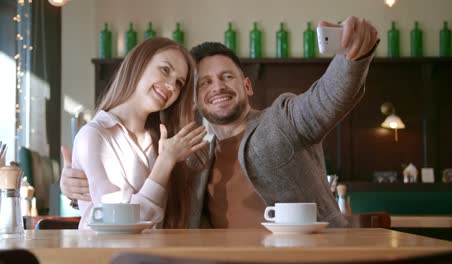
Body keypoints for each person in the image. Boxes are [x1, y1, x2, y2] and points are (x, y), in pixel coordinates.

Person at [61, 16, 378, 228]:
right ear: (195, 100)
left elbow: (325, 100)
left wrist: (352, 56)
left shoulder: (284, 120)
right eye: (203, 83)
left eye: (227, 77)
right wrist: (79, 190)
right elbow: (144, 200)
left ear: (247, 86)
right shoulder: (191, 153)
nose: (217, 87)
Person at [70, 37, 207, 229]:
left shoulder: (162, 141)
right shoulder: (94, 136)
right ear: (138, 64)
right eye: (165, 70)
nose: (171, 86)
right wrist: (165, 162)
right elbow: (119, 223)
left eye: (179, 83)